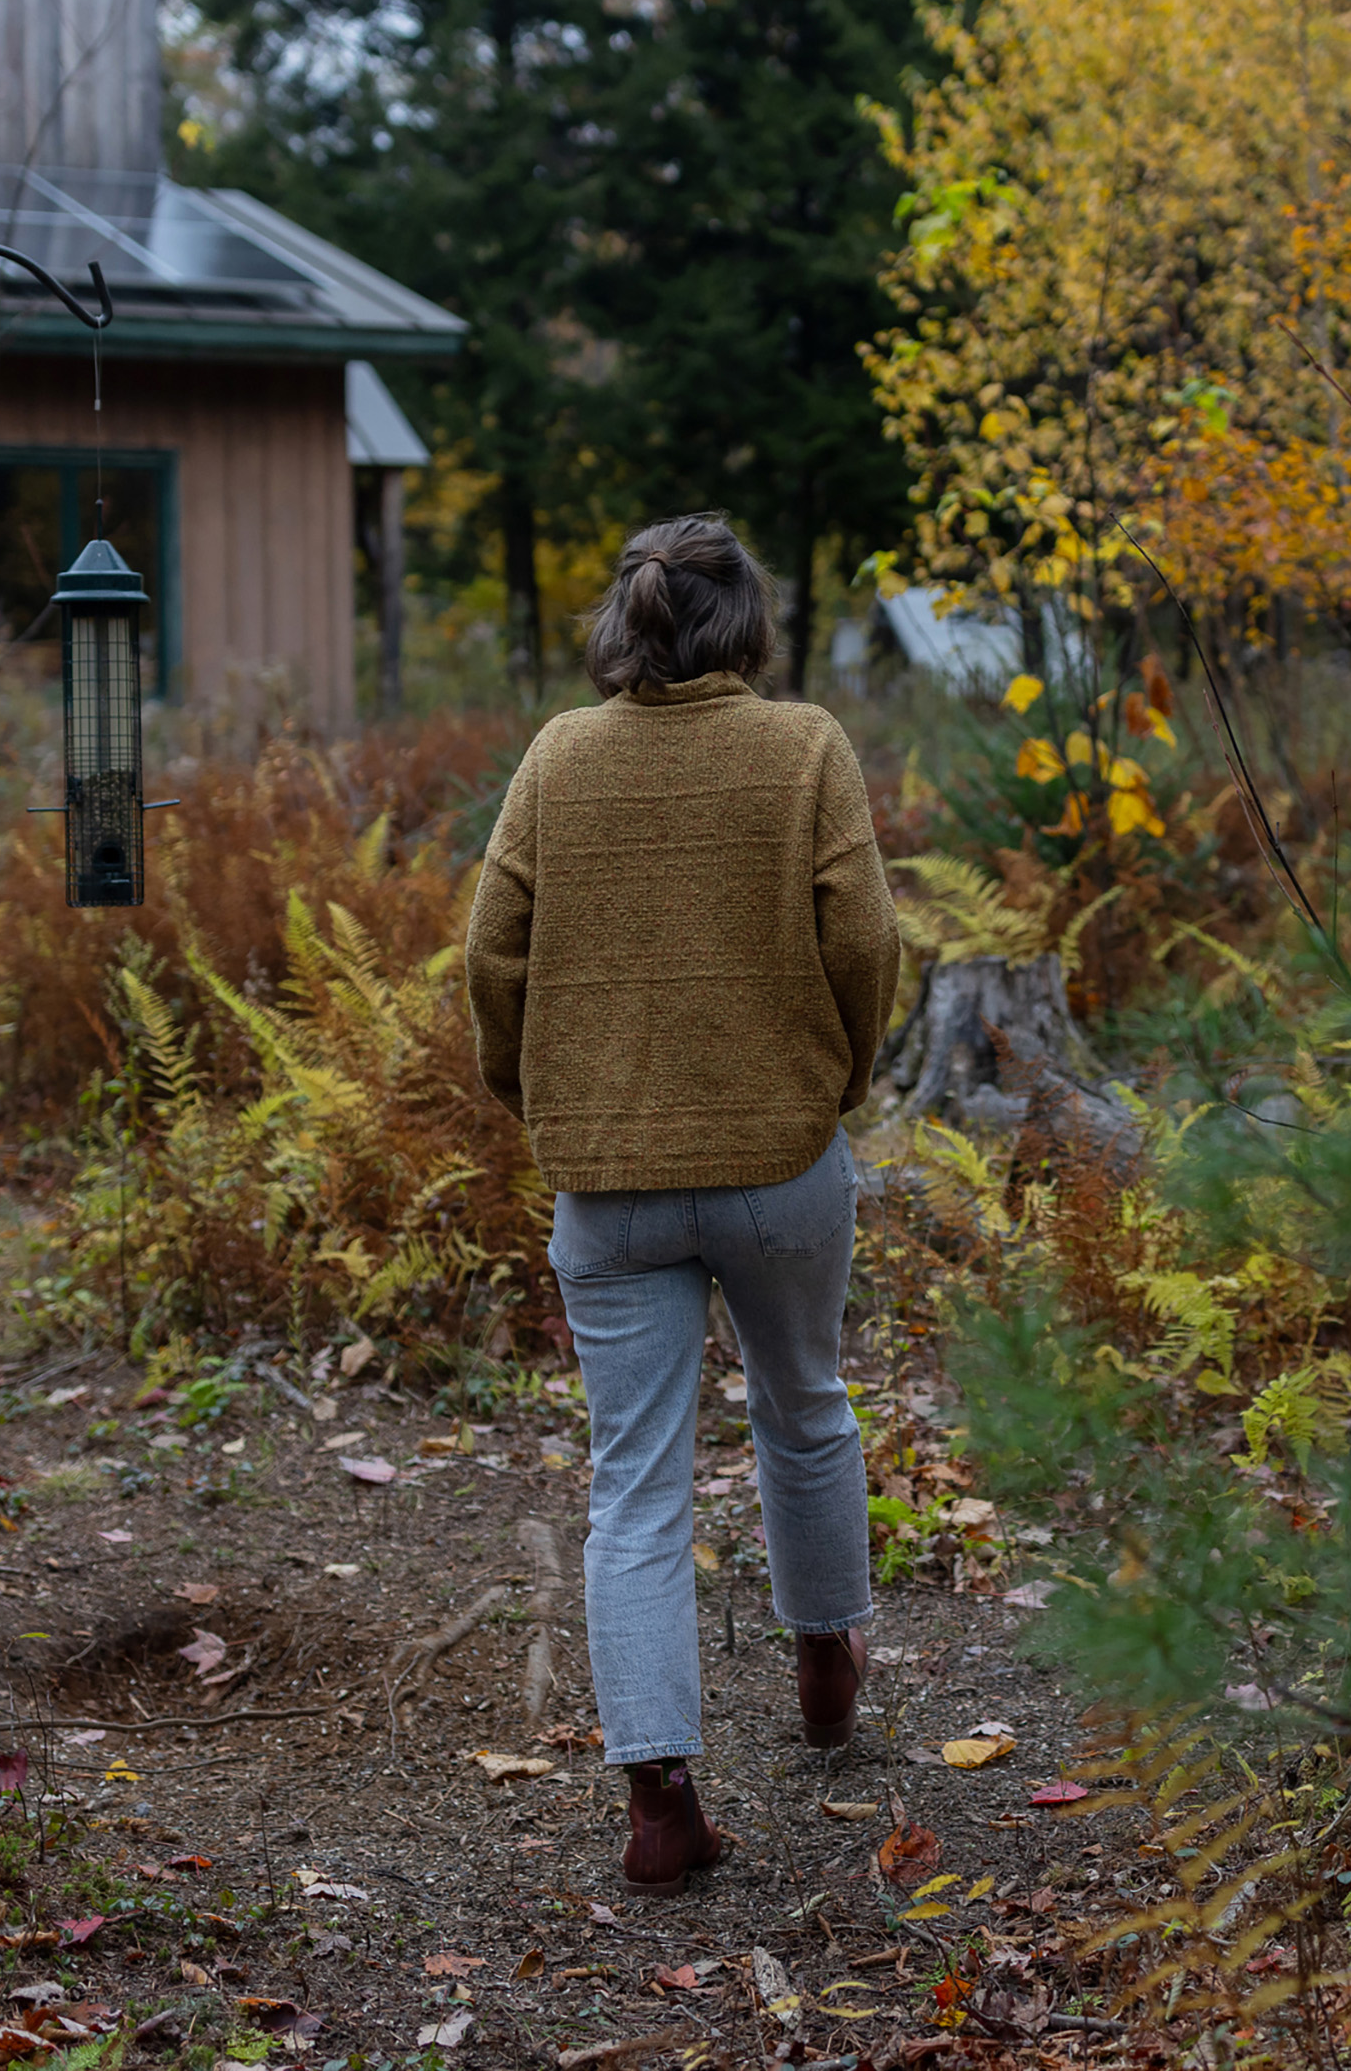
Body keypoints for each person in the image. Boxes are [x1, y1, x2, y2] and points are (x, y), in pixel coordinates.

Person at [464, 516, 903, 1893]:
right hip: (781, 1156)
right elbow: (867, 937)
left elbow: (491, 947)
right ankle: (825, 1657)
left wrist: (529, 1089)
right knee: (806, 1399)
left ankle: (660, 1798)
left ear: (630, 621)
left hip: (608, 1182)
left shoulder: (558, 755)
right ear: (746, 623)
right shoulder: (806, 745)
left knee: (633, 1480)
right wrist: (843, 1070)